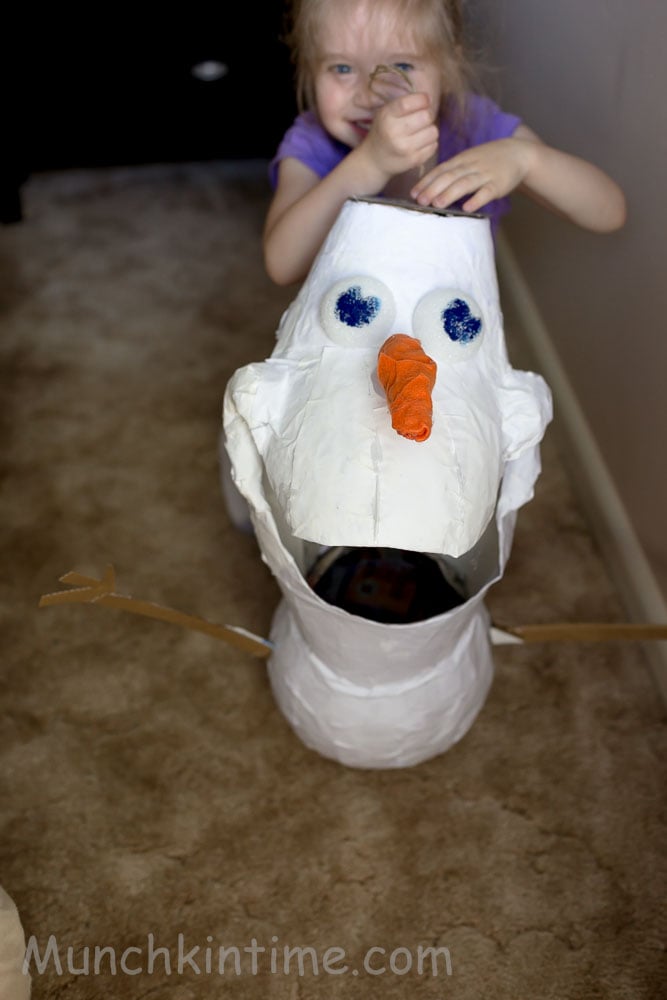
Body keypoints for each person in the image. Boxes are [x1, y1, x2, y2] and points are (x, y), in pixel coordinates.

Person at [264, 0, 626, 286]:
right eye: (342, 68)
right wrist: (369, 163)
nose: (371, 94)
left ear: (448, 66)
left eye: (402, 66)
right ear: (310, 70)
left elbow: (609, 213)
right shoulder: (312, 142)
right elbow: (282, 265)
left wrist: (527, 159)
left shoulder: (476, 127)